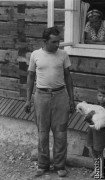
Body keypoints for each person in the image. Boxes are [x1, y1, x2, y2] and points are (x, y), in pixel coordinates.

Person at [24, 26, 75, 177]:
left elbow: (68, 77)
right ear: (45, 41)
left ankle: (60, 165)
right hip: (41, 96)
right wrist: (27, 100)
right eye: (54, 42)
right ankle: (43, 164)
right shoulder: (35, 55)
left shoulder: (63, 55)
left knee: (60, 133)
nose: (57, 45)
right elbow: (30, 77)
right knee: (43, 133)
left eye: (58, 41)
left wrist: (71, 100)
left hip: (60, 96)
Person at [84, 85, 105, 178]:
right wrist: (87, 117)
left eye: (104, 96)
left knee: (99, 151)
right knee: (91, 148)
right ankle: (97, 168)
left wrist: (96, 121)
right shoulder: (94, 106)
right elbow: (89, 118)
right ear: (97, 95)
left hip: (100, 132)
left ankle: (100, 170)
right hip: (91, 130)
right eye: (100, 96)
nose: (102, 98)